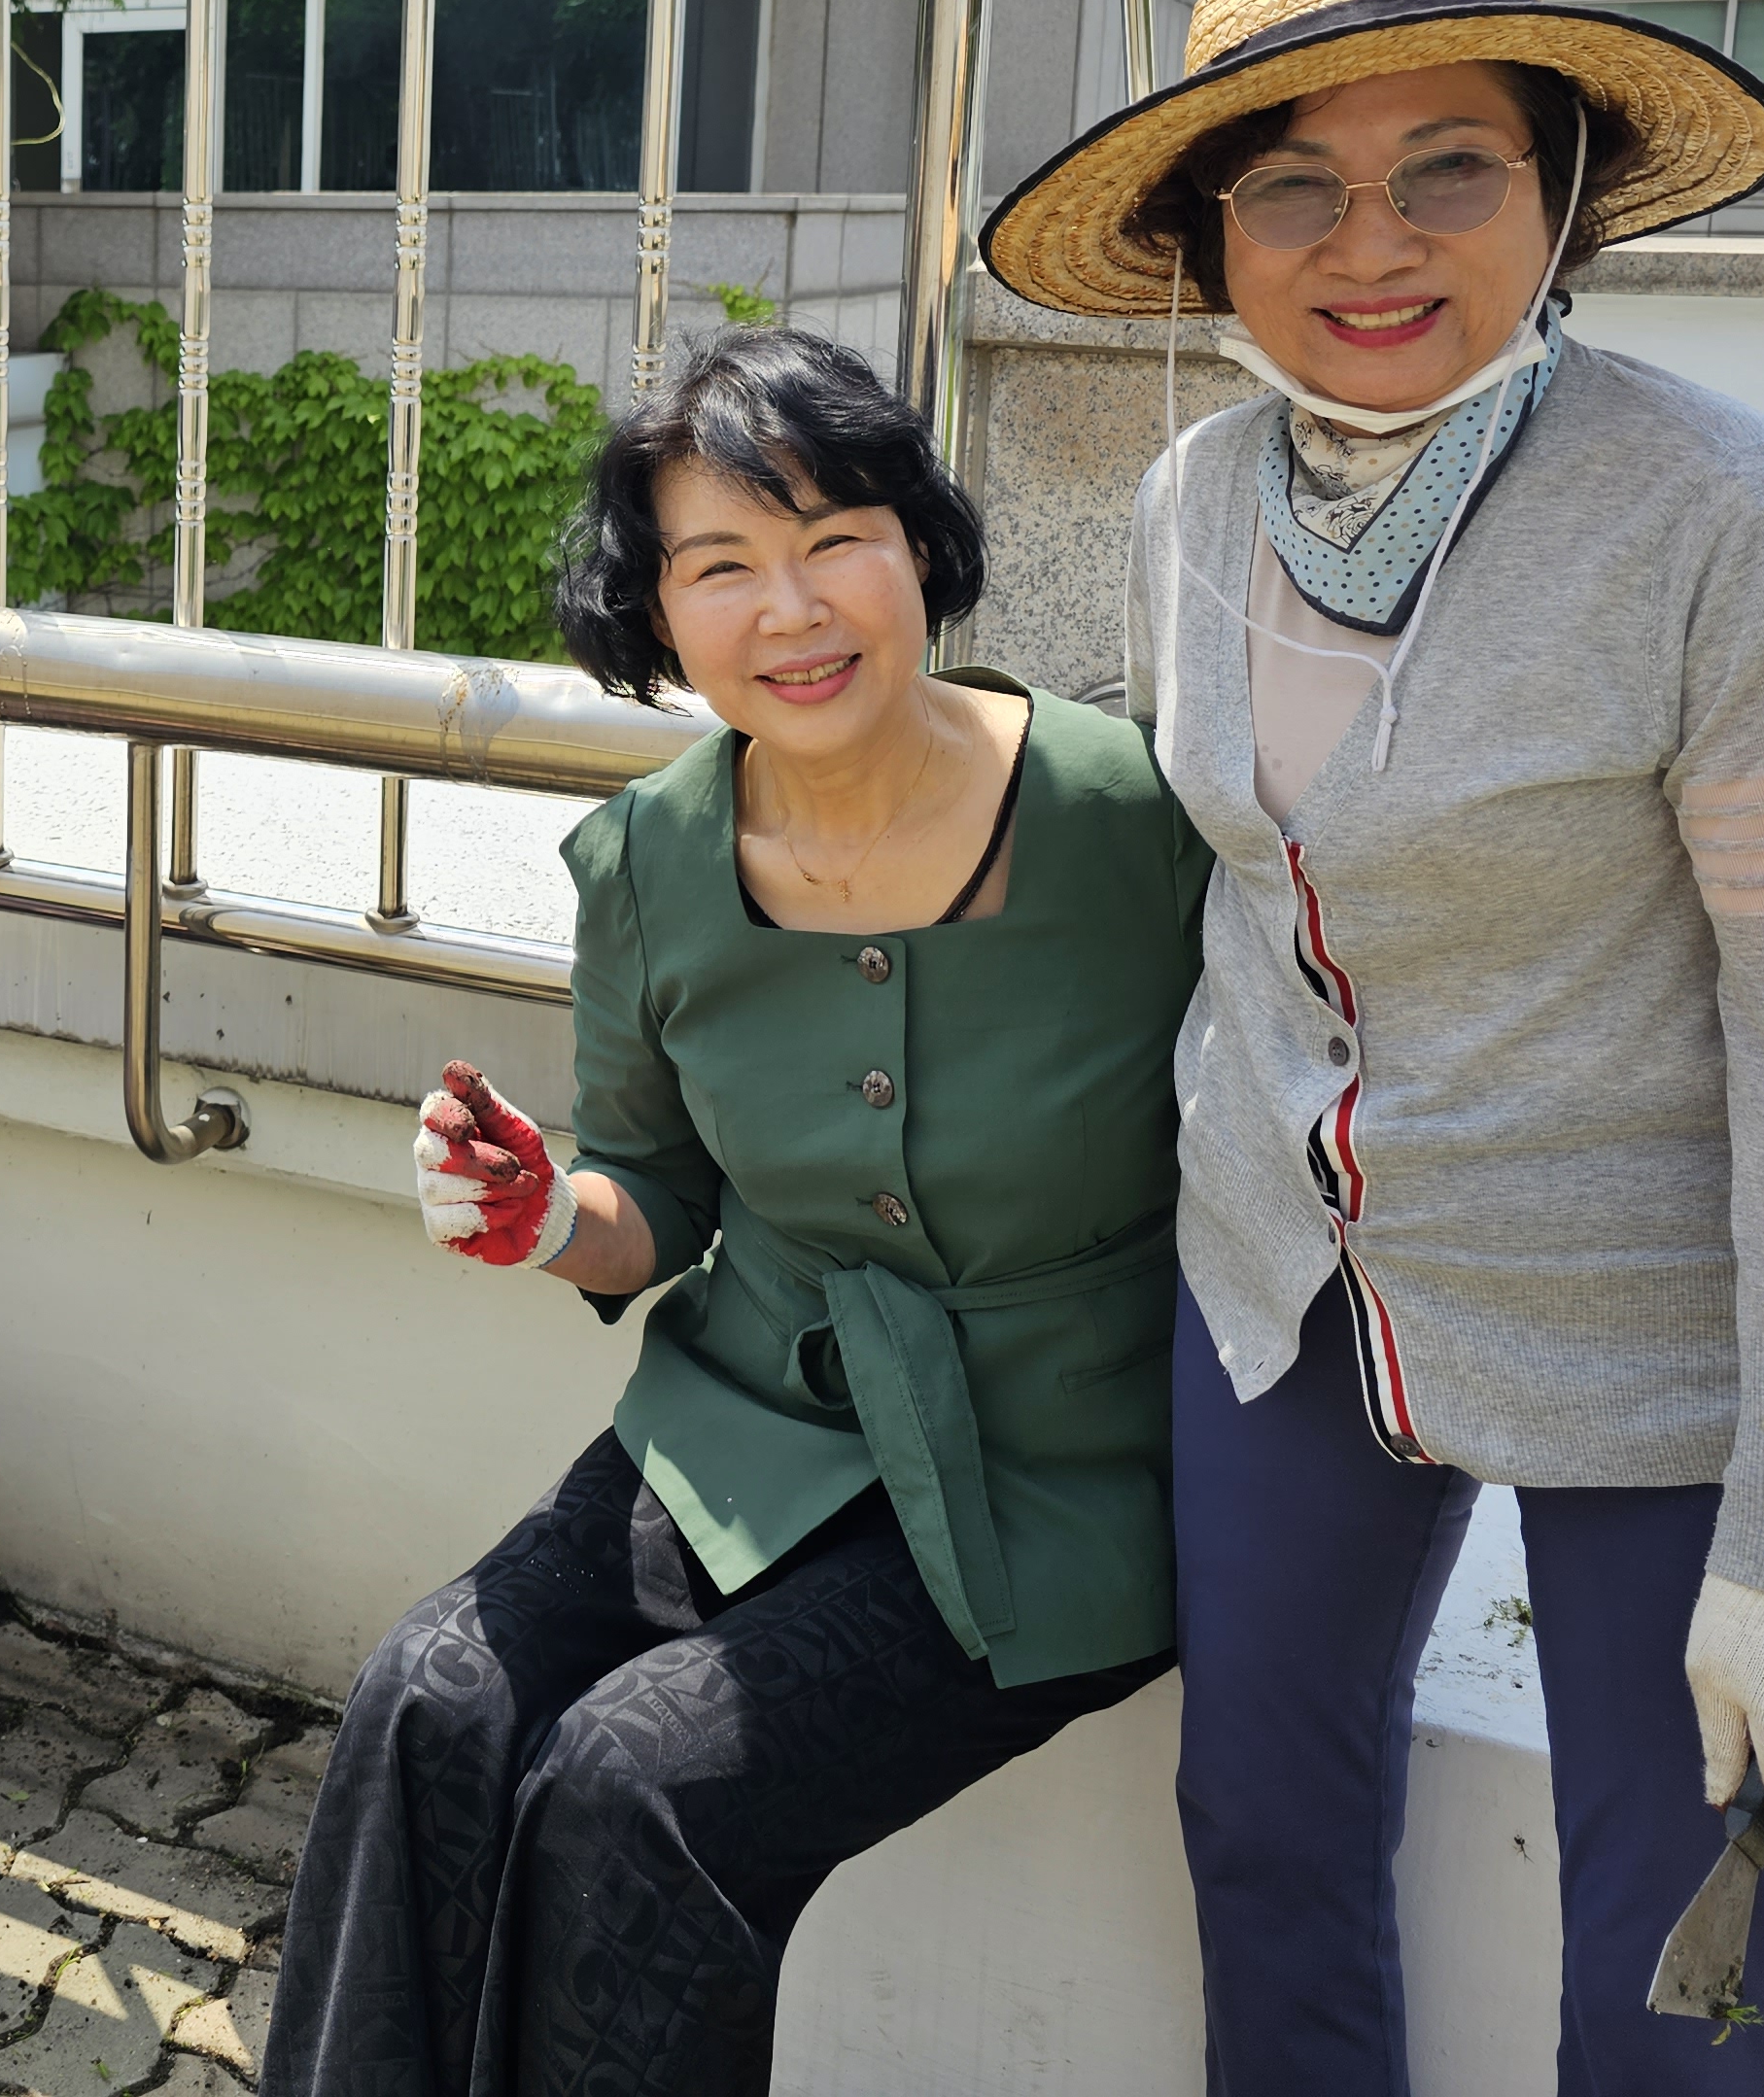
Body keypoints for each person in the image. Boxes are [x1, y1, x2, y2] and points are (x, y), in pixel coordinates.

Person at [979, 0, 1764, 2088]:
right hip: (1273, 1281)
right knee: (1258, 1824)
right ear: (1206, 238)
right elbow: (1220, 891)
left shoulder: (1736, 519)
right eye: (1295, 186)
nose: (1372, 244)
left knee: (1682, 1957)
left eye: (1451, 167)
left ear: (1560, 198)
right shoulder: (1189, 502)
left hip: (1648, 1326)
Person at [262, 329, 1210, 2097]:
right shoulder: (647, 862)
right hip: (748, 1427)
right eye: (720, 566)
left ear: (918, 544)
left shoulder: (1134, 819)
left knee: (636, 1781)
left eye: (835, 533)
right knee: (429, 1700)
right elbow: (658, 1198)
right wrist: (544, 1215)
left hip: (1054, 1480)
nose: (793, 608)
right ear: (659, 619)